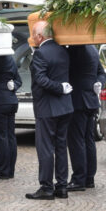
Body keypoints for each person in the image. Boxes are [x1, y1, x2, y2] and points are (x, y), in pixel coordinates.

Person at [26, 20, 73, 200]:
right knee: (61, 147)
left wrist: (59, 87)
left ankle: (46, 187)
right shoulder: (63, 50)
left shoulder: (41, 53)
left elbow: (40, 80)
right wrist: (62, 88)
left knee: (45, 148)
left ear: (40, 36)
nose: (32, 38)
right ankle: (61, 186)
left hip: (47, 106)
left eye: (33, 35)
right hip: (65, 106)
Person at [65, 44, 105, 191]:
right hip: (91, 100)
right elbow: (101, 72)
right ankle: (89, 178)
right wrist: (98, 83)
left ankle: (79, 179)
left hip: (78, 101)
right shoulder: (92, 48)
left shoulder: (73, 49)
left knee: (77, 141)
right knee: (88, 140)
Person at [0, 52, 21, 179]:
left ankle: (3, 170)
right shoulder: (11, 60)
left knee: (1, 137)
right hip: (11, 101)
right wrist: (14, 86)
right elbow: (19, 80)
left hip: (0, 102)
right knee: (11, 137)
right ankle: (10, 169)